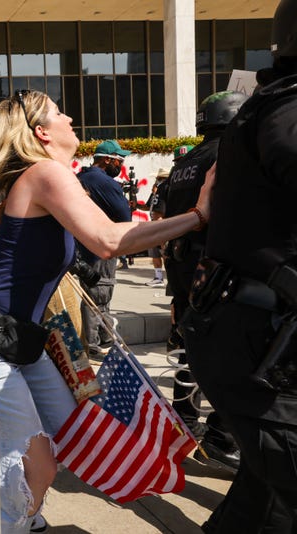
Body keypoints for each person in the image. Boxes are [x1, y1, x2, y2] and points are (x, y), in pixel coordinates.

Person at [0, 90, 214, 534]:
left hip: (20, 336)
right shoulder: (45, 174)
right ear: (41, 131)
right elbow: (110, 241)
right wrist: (198, 215)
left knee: (71, 433)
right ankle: (13, 523)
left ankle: (23, 516)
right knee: (32, 466)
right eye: (60, 113)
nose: (71, 116)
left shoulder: (39, 176)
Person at [181, 0, 297, 530]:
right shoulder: (285, 111)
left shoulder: (202, 155)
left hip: (227, 324)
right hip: (260, 347)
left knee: (263, 496)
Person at [163, 91, 248, 466]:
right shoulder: (229, 154)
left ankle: (183, 418)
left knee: (187, 345)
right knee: (238, 356)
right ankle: (221, 434)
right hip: (215, 271)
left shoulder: (187, 160)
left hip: (182, 267)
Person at [76, 139, 132, 355]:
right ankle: (96, 343)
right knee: (99, 294)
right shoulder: (105, 182)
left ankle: (100, 338)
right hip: (100, 246)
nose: (121, 165)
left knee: (91, 293)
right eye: (119, 160)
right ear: (107, 160)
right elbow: (124, 216)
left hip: (82, 246)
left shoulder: (82, 177)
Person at [143, 167, 171, 287]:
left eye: (160, 179)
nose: (157, 181)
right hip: (154, 225)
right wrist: (136, 205)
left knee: (165, 253)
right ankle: (158, 277)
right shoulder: (154, 193)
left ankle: (169, 277)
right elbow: (148, 206)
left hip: (162, 226)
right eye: (157, 179)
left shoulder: (167, 191)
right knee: (155, 254)